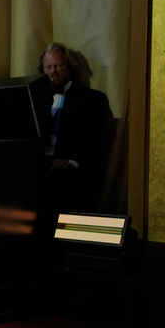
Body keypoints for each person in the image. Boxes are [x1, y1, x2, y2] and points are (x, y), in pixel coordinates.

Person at [30, 42, 113, 214]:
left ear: (69, 67)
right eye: (48, 67)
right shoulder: (36, 100)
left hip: (76, 174)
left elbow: (95, 136)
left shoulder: (93, 99)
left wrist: (72, 163)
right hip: (42, 171)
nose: (53, 71)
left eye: (58, 65)